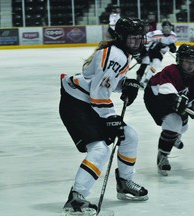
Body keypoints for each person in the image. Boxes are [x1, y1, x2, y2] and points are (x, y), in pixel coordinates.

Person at [59, 17, 149, 214]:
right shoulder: (116, 55)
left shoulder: (119, 53)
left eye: (139, 38)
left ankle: (124, 182)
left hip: (88, 102)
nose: (137, 42)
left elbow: (95, 78)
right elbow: (98, 92)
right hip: (76, 104)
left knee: (130, 136)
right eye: (133, 38)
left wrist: (123, 84)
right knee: (100, 150)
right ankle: (76, 198)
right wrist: (110, 117)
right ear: (121, 37)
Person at [143, 44, 194, 176]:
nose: (190, 65)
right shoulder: (171, 71)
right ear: (180, 61)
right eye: (187, 62)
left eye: (193, 62)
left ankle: (174, 136)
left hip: (176, 99)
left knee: (183, 127)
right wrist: (174, 98)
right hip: (155, 99)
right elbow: (164, 89)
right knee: (173, 123)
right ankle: (163, 155)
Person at [140, 20, 178, 86]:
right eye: (165, 28)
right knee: (156, 64)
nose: (167, 29)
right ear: (162, 28)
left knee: (151, 66)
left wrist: (173, 48)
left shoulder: (173, 36)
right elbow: (146, 37)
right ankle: (147, 79)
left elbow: (172, 47)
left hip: (161, 53)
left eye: (169, 27)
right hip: (152, 50)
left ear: (171, 28)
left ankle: (143, 80)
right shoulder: (156, 33)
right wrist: (150, 46)